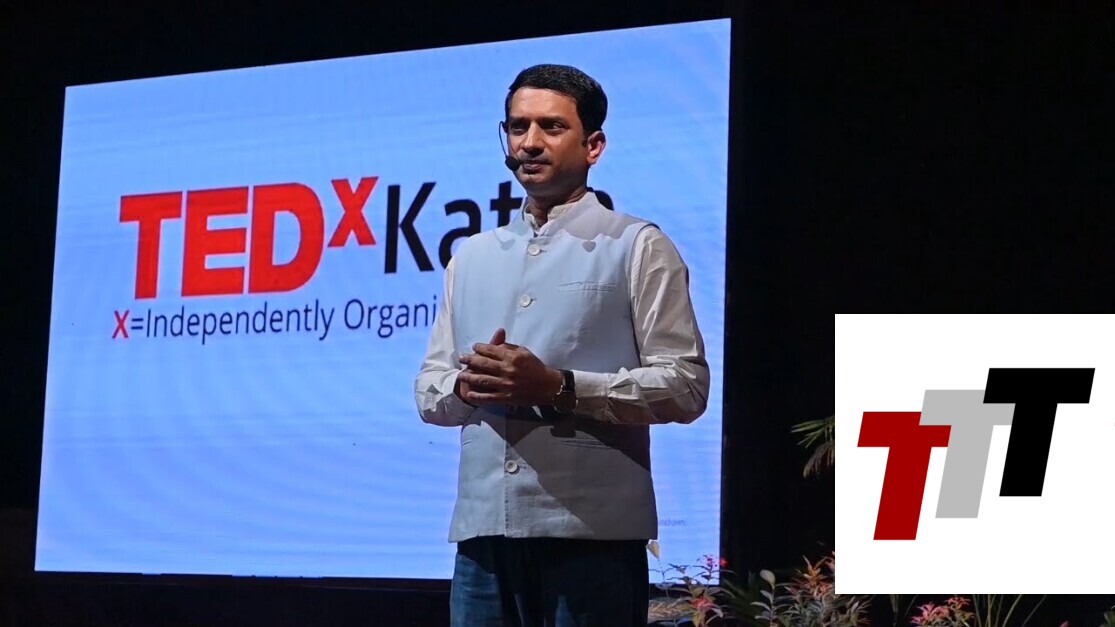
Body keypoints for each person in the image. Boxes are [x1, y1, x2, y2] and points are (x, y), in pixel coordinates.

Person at [414, 63, 710, 627]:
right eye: (517, 127)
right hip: (483, 536)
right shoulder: (471, 256)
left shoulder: (636, 245)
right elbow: (430, 392)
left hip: (591, 536)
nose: (529, 142)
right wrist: (466, 387)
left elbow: (686, 386)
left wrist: (558, 387)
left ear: (593, 145)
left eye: (551, 127)